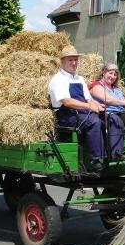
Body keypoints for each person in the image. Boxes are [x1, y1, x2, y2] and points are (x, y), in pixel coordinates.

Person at [48, 45, 112, 174]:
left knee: (109, 118)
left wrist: (98, 106)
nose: (74, 63)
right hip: (66, 115)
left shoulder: (79, 78)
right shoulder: (57, 79)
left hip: (81, 112)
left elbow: (89, 99)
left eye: (75, 60)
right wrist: (89, 107)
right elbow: (66, 101)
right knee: (94, 121)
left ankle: (113, 154)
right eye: (70, 60)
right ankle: (95, 161)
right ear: (62, 62)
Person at [89, 62, 125, 159]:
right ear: (103, 72)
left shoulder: (117, 89)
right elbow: (109, 100)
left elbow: (123, 103)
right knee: (117, 122)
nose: (112, 76)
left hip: (120, 112)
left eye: (115, 74)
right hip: (106, 113)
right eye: (110, 73)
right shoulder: (96, 86)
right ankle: (118, 153)